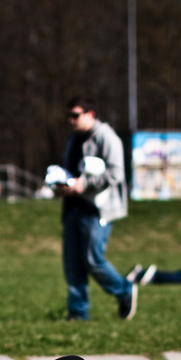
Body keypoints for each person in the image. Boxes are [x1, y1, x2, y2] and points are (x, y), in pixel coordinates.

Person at [52, 96, 135, 321]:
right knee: (72, 263)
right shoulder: (73, 140)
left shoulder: (107, 138)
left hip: (97, 209)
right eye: (69, 116)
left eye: (75, 115)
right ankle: (78, 312)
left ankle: (124, 290)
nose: (71, 120)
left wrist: (83, 185)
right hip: (72, 208)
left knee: (92, 259)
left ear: (90, 114)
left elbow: (116, 173)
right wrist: (61, 184)